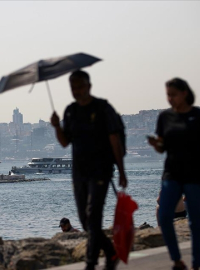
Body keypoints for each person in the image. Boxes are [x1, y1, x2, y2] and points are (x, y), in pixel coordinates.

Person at [51, 70, 127, 270]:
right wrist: (57, 127)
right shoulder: (71, 111)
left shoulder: (102, 108)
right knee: (86, 222)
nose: (76, 91)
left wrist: (122, 170)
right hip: (79, 173)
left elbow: (114, 139)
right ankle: (111, 253)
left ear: (88, 86)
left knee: (94, 217)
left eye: (80, 86)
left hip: (101, 171)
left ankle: (90, 264)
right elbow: (65, 142)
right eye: (73, 88)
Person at [148, 78, 200, 270]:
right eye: (168, 95)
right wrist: (155, 145)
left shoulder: (199, 116)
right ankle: (176, 260)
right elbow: (162, 147)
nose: (170, 99)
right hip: (172, 174)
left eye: (173, 94)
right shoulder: (164, 117)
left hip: (196, 175)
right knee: (165, 215)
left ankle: (196, 264)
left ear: (184, 93)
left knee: (196, 221)